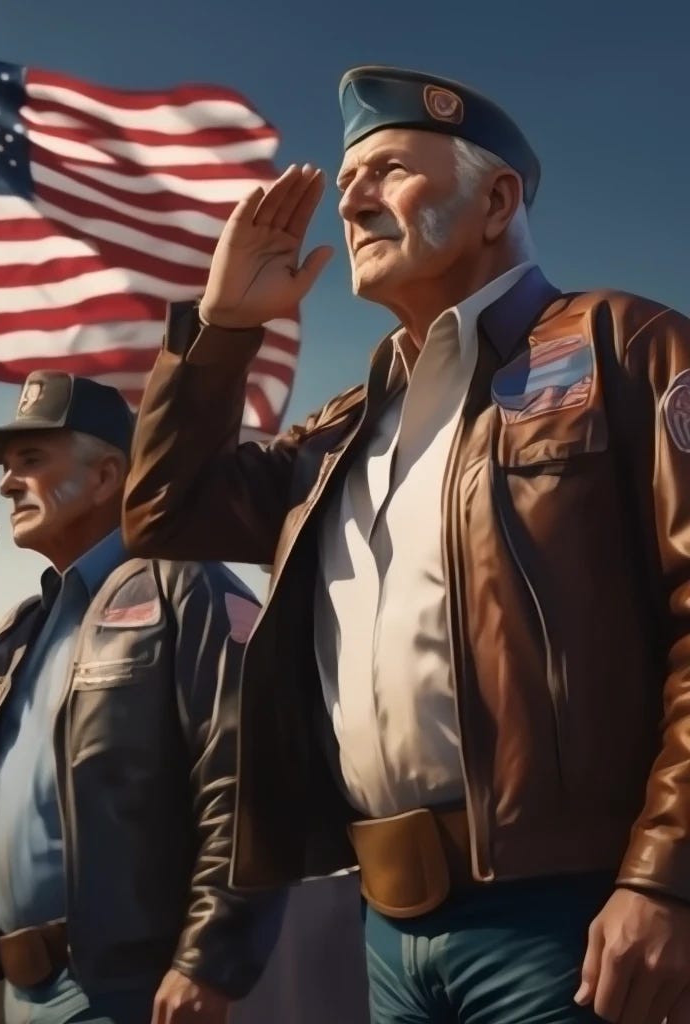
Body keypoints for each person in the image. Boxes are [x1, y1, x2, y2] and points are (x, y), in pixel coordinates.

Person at [122, 64, 690, 1024]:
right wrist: (220, 334)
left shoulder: (626, 347)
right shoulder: (341, 430)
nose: (350, 197)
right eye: (347, 182)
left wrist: (666, 879)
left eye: (387, 168)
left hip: (576, 921)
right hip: (388, 929)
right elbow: (165, 511)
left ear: (496, 199)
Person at [0, 371, 282, 1024]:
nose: (7, 483)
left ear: (105, 477)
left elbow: (246, 779)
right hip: (24, 993)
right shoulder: (21, 631)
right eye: (8, 466)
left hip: (132, 991)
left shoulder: (190, 590)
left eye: (31, 460)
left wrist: (210, 958)